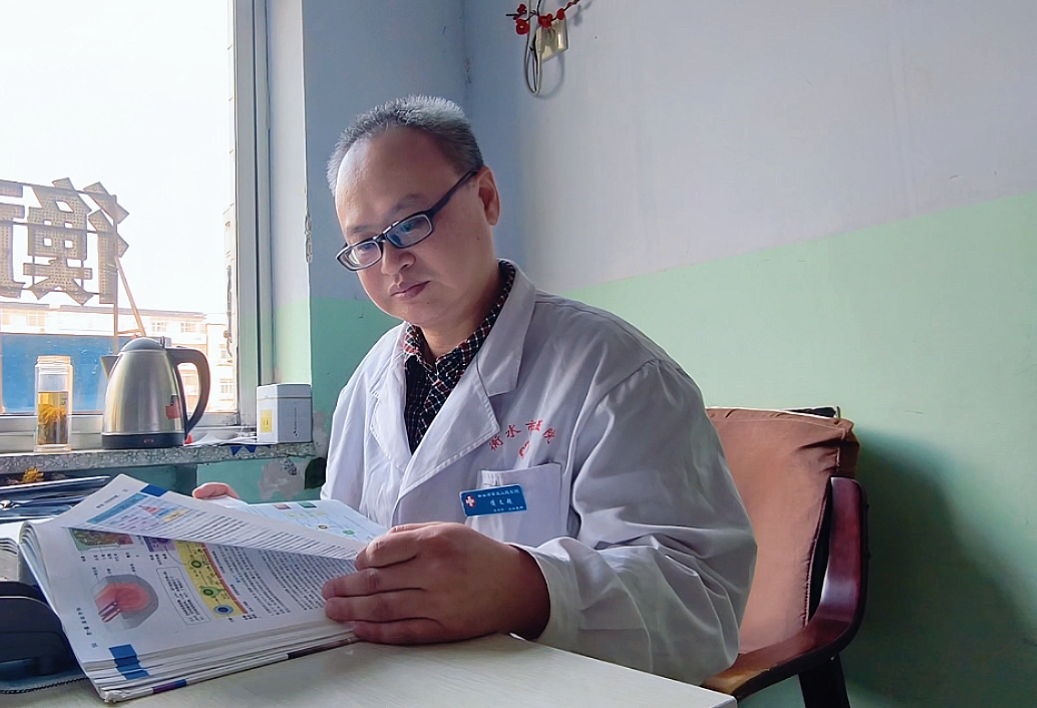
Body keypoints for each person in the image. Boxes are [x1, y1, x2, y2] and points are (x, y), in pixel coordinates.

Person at [195, 95, 756, 684]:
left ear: (486, 197)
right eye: (365, 243)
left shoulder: (615, 372)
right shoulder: (369, 382)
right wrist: (260, 537)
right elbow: (347, 542)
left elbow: (703, 606)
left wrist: (528, 588)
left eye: (411, 223)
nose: (391, 261)